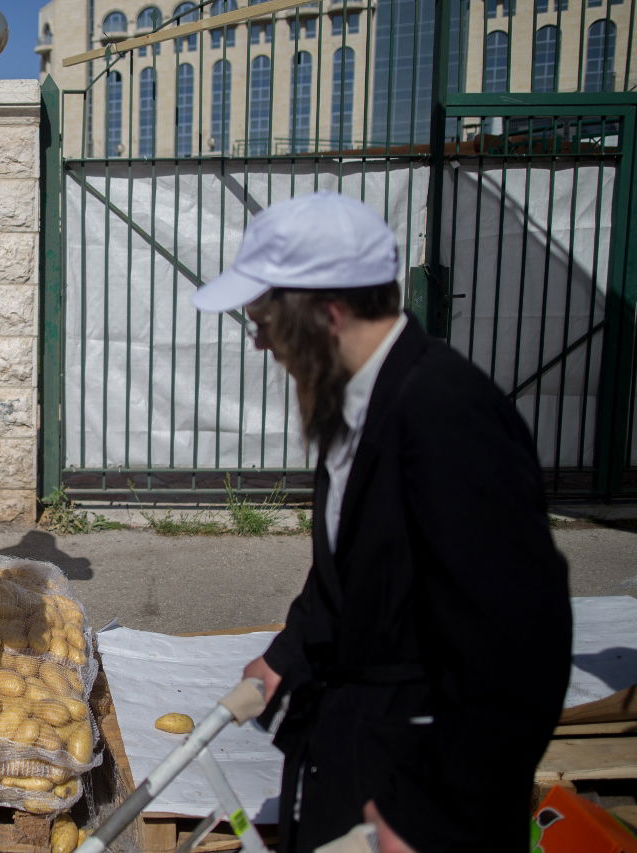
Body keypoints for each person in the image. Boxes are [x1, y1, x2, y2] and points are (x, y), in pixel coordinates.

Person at [191, 192, 571, 853]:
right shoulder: (359, 400)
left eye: (263, 317)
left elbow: (519, 647)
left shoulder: (447, 417)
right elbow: (352, 574)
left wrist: (433, 814)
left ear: (327, 313)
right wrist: (287, 656)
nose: (257, 339)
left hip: (418, 781)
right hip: (355, 749)